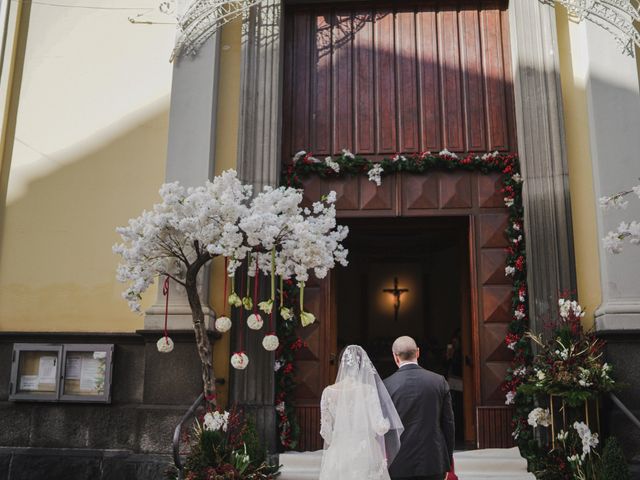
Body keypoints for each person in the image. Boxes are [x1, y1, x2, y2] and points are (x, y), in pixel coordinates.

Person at [319, 345, 404, 480]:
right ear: (362, 365)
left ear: (341, 364)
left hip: (339, 452)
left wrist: (339, 440)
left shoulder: (328, 392)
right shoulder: (368, 390)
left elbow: (326, 432)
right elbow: (379, 427)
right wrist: (387, 422)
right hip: (366, 451)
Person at [384, 336, 455, 480]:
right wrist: (446, 459)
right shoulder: (438, 381)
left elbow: (385, 429)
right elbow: (448, 424)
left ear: (395, 356)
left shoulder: (386, 386)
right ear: (417, 352)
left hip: (399, 463)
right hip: (433, 461)